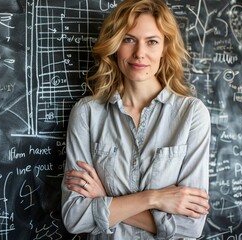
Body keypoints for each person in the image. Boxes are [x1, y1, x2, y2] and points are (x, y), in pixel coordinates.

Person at [61, 0, 211, 239]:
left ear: (165, 48)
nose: (140, 53)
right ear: (115, 45)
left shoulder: (191, 114)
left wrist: (103, 200)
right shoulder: (87, 113)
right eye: (129, 39)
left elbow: (190, 227)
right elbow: (75, 217)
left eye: (152, 42)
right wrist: (154, 198)